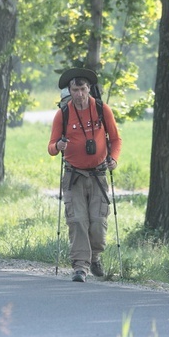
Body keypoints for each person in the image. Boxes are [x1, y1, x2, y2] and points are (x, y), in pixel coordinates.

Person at [48, 68, 122, 282]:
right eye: (75, 90)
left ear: (89, 89)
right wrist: (58, 146)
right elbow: (51, 147)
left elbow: (115, 139)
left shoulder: (101, 109)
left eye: (83, 89)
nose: (79, 94)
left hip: (98, 174)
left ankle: (95, 256)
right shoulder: (63, 114)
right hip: (74, 175)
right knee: (77, 221)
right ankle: (80, 267)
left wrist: (113, 159)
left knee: (98, 221)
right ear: (69, 91)